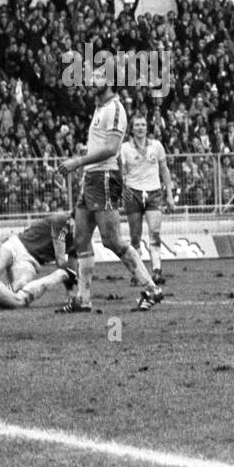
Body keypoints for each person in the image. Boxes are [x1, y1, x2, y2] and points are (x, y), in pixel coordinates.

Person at [55, 70, 162, 313]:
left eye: (97, 77)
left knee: (112, 240)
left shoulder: (116, 108)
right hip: (92, 179)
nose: (91, 81)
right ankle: (83, 299)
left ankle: (151, 288)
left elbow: (112, 149)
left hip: (105, 178)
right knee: (80, 238)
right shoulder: (99, 109)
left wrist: (77, 162)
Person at [119, 115, 176, 286]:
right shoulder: (125, 148)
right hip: (133, 193)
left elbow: (164, 170)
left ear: (147, 127)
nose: (140, 127)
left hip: (153, 192)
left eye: (143, 124)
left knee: (155, 233)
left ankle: (157, 271)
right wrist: (123, 190)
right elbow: (120, 173)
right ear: (132, 128)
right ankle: (139, 273)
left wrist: (170, 194)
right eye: (137, 125)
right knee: (135, 237)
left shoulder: (156, 146)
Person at [0, 210, 79, 309]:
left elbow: (69, 270)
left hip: (31, 262)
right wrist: (78, 281)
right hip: (18, 244)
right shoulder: (62, 220)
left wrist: (70, 291)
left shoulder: (80, 237)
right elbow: (61, 260)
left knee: (20, 286)